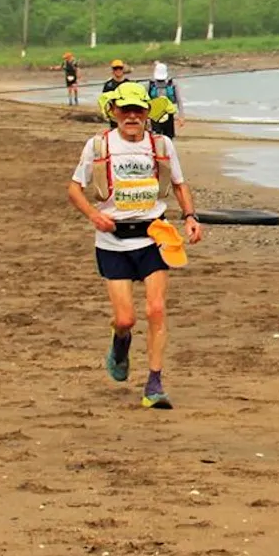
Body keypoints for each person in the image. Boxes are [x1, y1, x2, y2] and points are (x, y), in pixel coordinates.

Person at [67, 81, 204, 409]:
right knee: (126, 318)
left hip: (154, 237)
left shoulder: (162, 145)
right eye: (124, 110)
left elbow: (180, 184)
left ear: (147, 114)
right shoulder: (98, 146)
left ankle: (154, 384)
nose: (131, 116)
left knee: (156, 310)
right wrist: (93, 216)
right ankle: (120, 343)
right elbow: (74, 189)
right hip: (112, 241)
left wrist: (190, 217)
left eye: (137, 110)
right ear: (113, 113)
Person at [147, 62, 181, 139]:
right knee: (156, 137)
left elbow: (179, 100)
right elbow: (146, 100)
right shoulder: (151, 85)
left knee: (168, 138)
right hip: (154, 115)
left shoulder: (172, 84)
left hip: (168, 115)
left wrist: (181, 116)